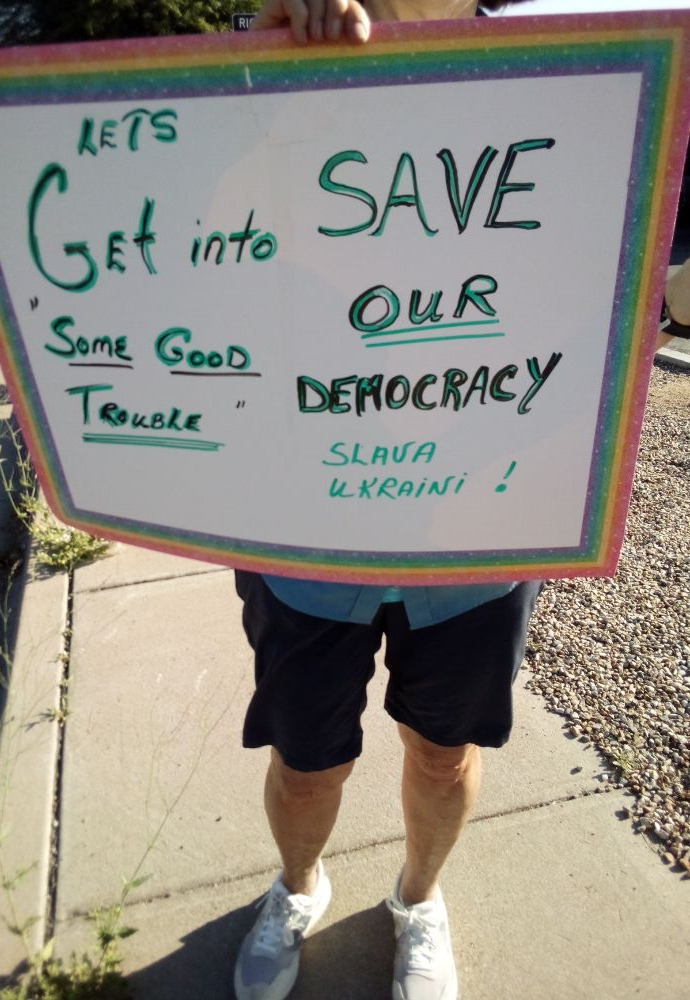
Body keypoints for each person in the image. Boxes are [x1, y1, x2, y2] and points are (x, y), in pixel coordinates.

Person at [234, 2, 538, 999]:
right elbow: (198, 249)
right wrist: (282, 82)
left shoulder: (551, 83)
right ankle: (296, 885)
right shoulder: (272, 65)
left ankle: (419, 899)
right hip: (308, 528)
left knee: (443, 754)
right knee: (306, 754)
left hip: (474, 527)